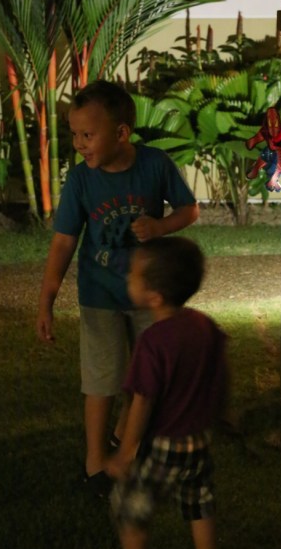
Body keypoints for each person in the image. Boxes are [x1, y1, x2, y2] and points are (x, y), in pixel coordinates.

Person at [36, 79, 198, 496]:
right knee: (101, 380)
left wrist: (160, 226)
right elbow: (64, 242)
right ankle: (95, 463)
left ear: (121, 133)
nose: (79, 144)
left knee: (148, 376)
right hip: (99, 296)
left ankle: (126, 441)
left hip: (150, 296)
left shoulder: (155, 165)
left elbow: (189, 209)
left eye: (88, 135)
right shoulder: (81, 181)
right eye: (75, 135)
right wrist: (47, 299)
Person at [98, 236, 228, 549]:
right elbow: (221, 374)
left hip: (164, 446)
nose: (128, 278)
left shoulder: (153, 342)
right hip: (198, 442)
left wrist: (125, 453)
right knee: (199, 505)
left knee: (128, 509)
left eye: (134, 275)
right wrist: (221, 413)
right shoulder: (205, 325)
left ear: (154, 296)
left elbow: (142, 402)